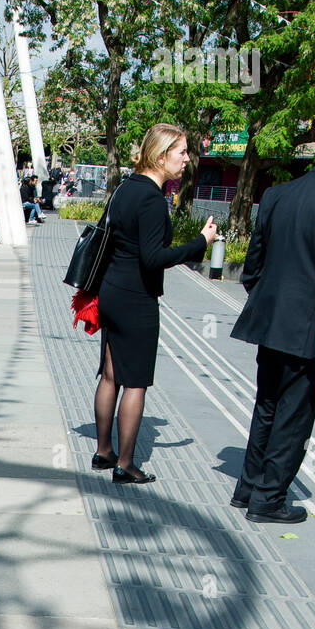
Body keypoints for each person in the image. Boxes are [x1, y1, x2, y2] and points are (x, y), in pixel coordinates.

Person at [230, 106, 315, 522]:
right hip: (311, 330)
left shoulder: (276, 195)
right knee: (294, 415)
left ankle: (247, 488)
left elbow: (252, 267)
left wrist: (270, 302)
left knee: (267, 405)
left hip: (271, 322)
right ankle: (268, 500)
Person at [90, 126, 214, 484]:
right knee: (137, 381)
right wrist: (200, 243)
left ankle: (103, 450)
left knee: (111, 373)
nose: (187, 159)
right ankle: (125, 464)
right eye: (182, 152)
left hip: (111, 291)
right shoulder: (151, 199)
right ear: (161, 157)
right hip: (136, 298)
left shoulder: (125, 189)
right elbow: (153, 258)